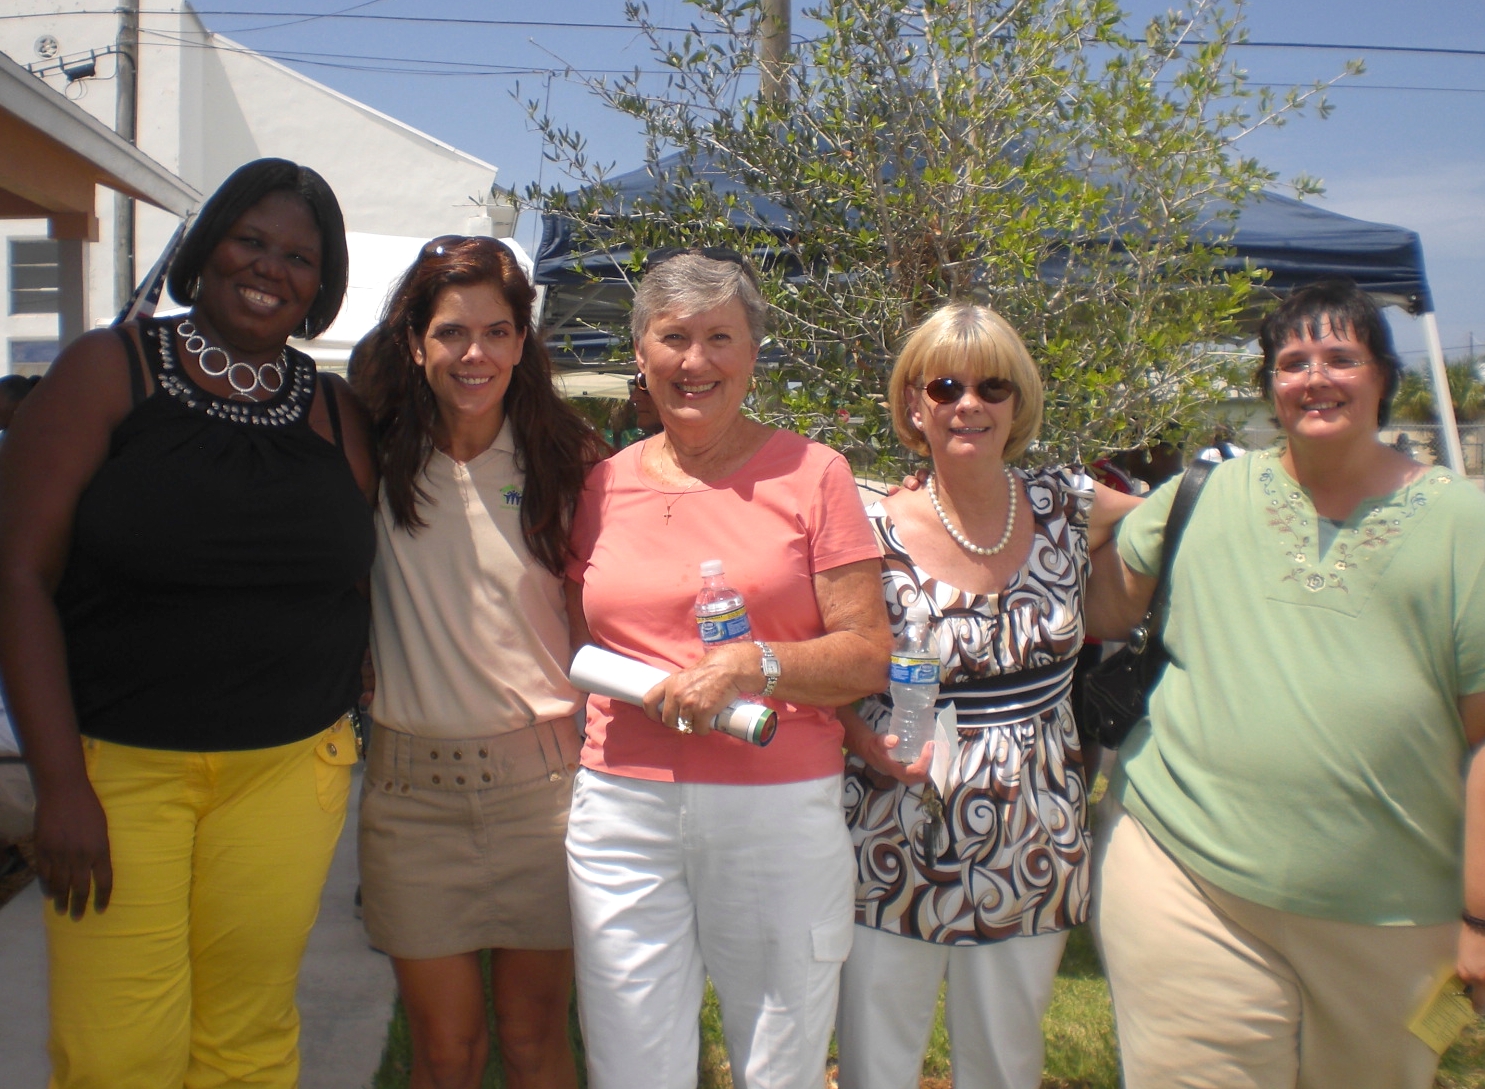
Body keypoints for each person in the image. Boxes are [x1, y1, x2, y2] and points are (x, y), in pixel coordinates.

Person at [0, 157, 375, 1087]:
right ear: (206, 248)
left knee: (246, 1044)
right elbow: (15, 578)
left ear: (321, 288)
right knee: (119, 1053)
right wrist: (60, 786)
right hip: (117, 772)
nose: (271, 267)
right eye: (252, 239)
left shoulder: (337, 413)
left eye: (300, 257)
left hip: (292, 772)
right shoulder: (107, 369)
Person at [1092, 278, 1485, 1088]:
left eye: (1339, 357)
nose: (1314, 377)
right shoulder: (1202, 495)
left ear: (1382, 375)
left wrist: (1479, 915)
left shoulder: (1462, 524)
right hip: (1181, 873)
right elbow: (1098, 606)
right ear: (1269, 386)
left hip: (1392, 914)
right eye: (1291, 361)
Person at [563, 248, 893, 1089]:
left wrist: (750, 664)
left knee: (777, 1063)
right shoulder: (602, 484)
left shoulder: (815, 474)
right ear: (640, 354)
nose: (694, 361)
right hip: (622, 809)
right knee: (629, 1063)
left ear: (752, 353)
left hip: (774, 808)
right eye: (672, 338)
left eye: (720, 337)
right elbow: (580, 634)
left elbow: (864, 654)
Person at [833, 302, 1138, 1089]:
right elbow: (824, 649)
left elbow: (1178, 523)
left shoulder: (1064, 503)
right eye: (943, 384)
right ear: (912, 402)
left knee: (1004, 1063)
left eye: (991, 385)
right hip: (891, 823)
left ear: (1018, 402)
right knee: (876, 1058)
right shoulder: (863, 519)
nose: (967, 402)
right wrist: (849, 731)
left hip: (1033, 830)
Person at [351, 235, 607, 1089]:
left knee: (537, 1043)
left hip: (547, 798)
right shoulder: (369, 459)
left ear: (522, 342)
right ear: (415, 340)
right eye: (454, 332)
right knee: (445, 1054)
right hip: (409, 801)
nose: (476, 354)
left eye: (499, 333)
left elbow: (602, 625)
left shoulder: (565, 463)